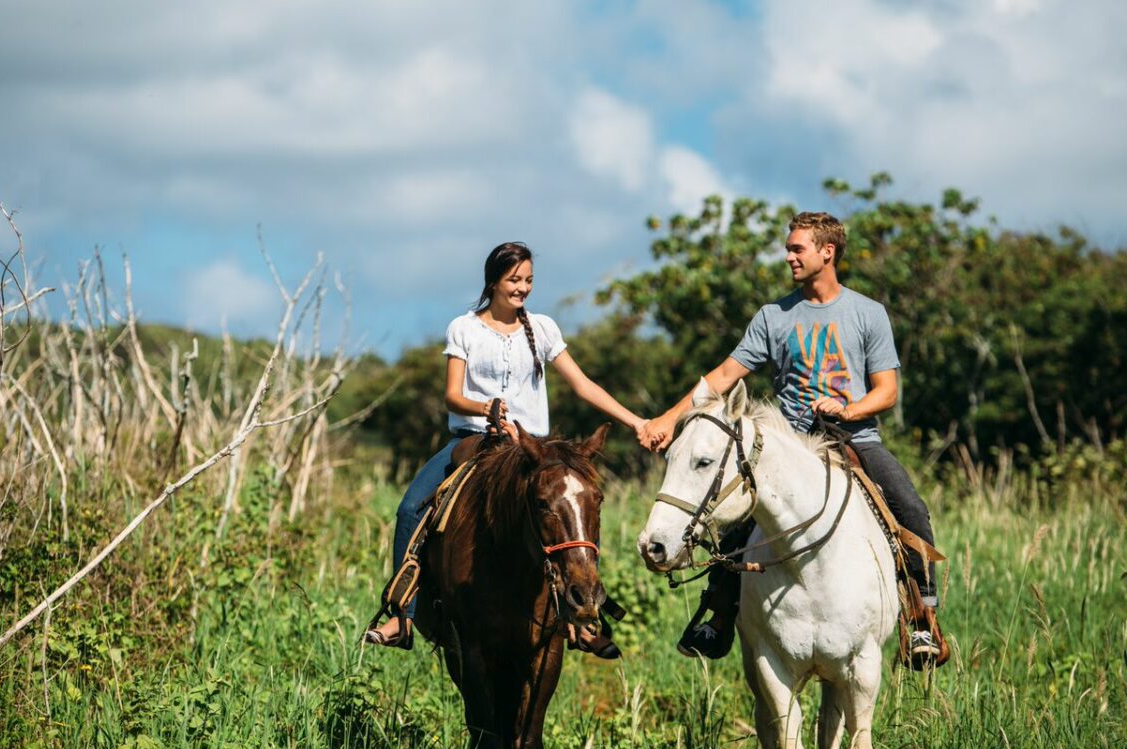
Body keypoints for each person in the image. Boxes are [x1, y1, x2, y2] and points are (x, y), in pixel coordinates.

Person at [640, 211, 947, 669]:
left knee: (910, 508)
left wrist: (848, 409)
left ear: (828, 252)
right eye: (788, 248)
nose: (788, 256)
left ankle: (921, 622)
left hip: (854, 438)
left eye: (797, 248)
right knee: (734, 525)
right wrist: (669, 418)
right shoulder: (773, 316)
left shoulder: (867, 313)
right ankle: (718, 618)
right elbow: (723, 376)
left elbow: (886, 391)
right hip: (790, 446)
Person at [364, 241, 648, 652]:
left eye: (529, 280)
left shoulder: (544, 329)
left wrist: (635, 421)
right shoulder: (463, 328)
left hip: (534, 449)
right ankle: (401, 616)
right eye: (514, 280)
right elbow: (452, 396)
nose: (523, 288)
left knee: (573, 513)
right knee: (410, 508)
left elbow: (583, 385)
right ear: (493, 281)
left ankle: (584, 617)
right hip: (475, 440)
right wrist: (486, 406)